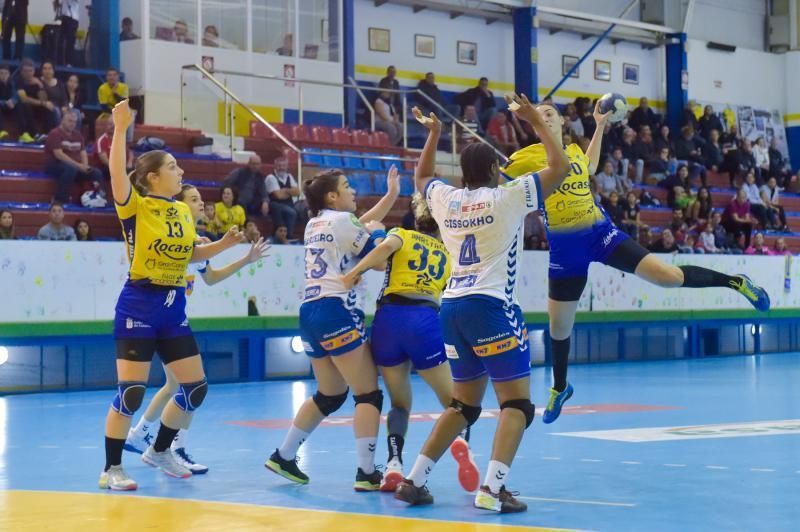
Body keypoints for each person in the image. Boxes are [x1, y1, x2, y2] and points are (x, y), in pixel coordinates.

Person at [501, 99, 771, 426]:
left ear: (561, 123)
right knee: (559, 328)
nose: (543, 118)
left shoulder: (572, 152)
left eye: (549, 114)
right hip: (563, 250)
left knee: (668, 277)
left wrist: (600, 124)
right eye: (539, 115)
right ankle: (560, 387)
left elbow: (589, 166)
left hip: (600, 234)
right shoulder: (527, 158)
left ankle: (736, 282)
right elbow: (495, 178)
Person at [393, 98, 568, 514]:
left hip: (451, 308)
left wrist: (433, 134)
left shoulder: (446, 199)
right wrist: (534, 124)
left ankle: (414, 481)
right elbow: (558, 169)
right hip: (490, 306)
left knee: (464, 405)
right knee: (517, 405)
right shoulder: (507, 196)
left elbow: (421, 176)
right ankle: (492, 489)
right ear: (493, 171)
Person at [99, 99, 245, 491]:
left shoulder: (181, 212)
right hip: (139, 305)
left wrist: (224, 245)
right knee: (131, 393)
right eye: (173, 168)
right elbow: (116, 173)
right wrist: (120, 128)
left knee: (195, 387)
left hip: (172, 307)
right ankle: (112, 468)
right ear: (151, 177)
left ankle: (160, 450)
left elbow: (191, 255)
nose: (180, 172)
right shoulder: (136, 206)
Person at [264, 166, 402, 491]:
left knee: (330, 394)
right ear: (332, 196)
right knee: (368, 393)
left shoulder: (316, 222)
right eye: (347, 186)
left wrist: (391, 196)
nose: (353, 191)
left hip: (310, 311)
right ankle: (366, 472)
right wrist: (384, 234)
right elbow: (379, 259)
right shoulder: (343, 222)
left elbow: (359, 223)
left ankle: (283, 455)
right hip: (335, 309)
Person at [341, 192, 481, 494]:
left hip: (387, 321)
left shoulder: (401, 234)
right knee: (457, 404)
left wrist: (355, 271)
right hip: (424, 320)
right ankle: (461, 445)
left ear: (416, 218)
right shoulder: (448, 253)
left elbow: (383, 250)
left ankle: (393, 464)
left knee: (400, 403)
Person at [125, 183, 269, 474]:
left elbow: (212, 278)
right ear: (176, 205)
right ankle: (169, 445)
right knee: (187, 385)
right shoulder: (171, 240)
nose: (201, 203)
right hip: (154, 317)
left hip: (171, 320)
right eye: (193, 199)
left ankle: (141, 434)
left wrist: (246, 259)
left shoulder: (196, 243)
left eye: (201, 198)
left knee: (177, 385)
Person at [45, 111, 102, 203]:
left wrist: (85, 166)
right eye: (70, 121)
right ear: (62, 120)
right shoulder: (54, 134)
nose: (72, 124)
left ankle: (97, 198)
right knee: (70, 169)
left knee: (96, 172)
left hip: (74, 166)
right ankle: (59, 200)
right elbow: (59, 155)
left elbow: (83, 153)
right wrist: (78, 166)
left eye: (74, 122)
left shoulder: (78, 135)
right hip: (55, 164)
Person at [264, 156, 303, 236]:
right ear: (275, 166)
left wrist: (285, 191)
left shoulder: (289, 176)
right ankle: (289, 236)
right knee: (291, 212)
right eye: (279, 165)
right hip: (274, 204)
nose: (281, 168)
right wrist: (290, 191)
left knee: (303, 210)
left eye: (283, 166)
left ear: (287, 166)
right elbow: (279, 196)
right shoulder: (270, 177)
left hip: (288, 204)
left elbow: (297, 192)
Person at [16, 58, 50, 142]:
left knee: (52, 109)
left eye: (30, 71)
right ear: (21, 72)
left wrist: (40, 85)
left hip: (34, 107)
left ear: (34, 71)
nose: (28, 73)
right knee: (23, 104)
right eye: (25, 71)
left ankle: (51, 136)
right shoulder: (17, 80)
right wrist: (42, 103)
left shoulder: (36, 81)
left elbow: (44, 99)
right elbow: (24, 99)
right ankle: (27, 134)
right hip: (18, 107)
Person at [55, 0, 80, 65]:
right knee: (60, 41)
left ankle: (69, 63)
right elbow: (58, 4)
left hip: (72, 19)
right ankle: (59, 62)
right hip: (64, 18)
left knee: (70, 43)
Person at [0, 64, 16, 139]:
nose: (4, 75)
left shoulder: (11, 82)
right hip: (1, 106)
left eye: (6, 73)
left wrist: (13, 101)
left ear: (9, 74)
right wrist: (5, 102)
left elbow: (15, 95)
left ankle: (26, 133)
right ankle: (1, 131)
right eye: (1, 73)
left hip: (9, 106)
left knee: (23, 106)